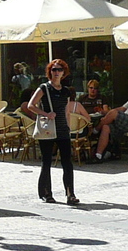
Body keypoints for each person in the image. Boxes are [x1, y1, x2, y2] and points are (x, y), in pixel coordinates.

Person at [24, 59, 85, 205]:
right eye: (54, 70)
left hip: (62, 129)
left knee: (67, 162)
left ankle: (70, 194)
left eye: (59, 70)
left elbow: (66, 111)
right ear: (50, 72)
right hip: (47, 129)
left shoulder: (65, 91)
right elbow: (30, 105)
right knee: (46, 161)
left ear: (64, 73)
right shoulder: (44, 88)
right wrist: (45, 114)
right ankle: (46, 192)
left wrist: (69, 127)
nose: (56, 72)